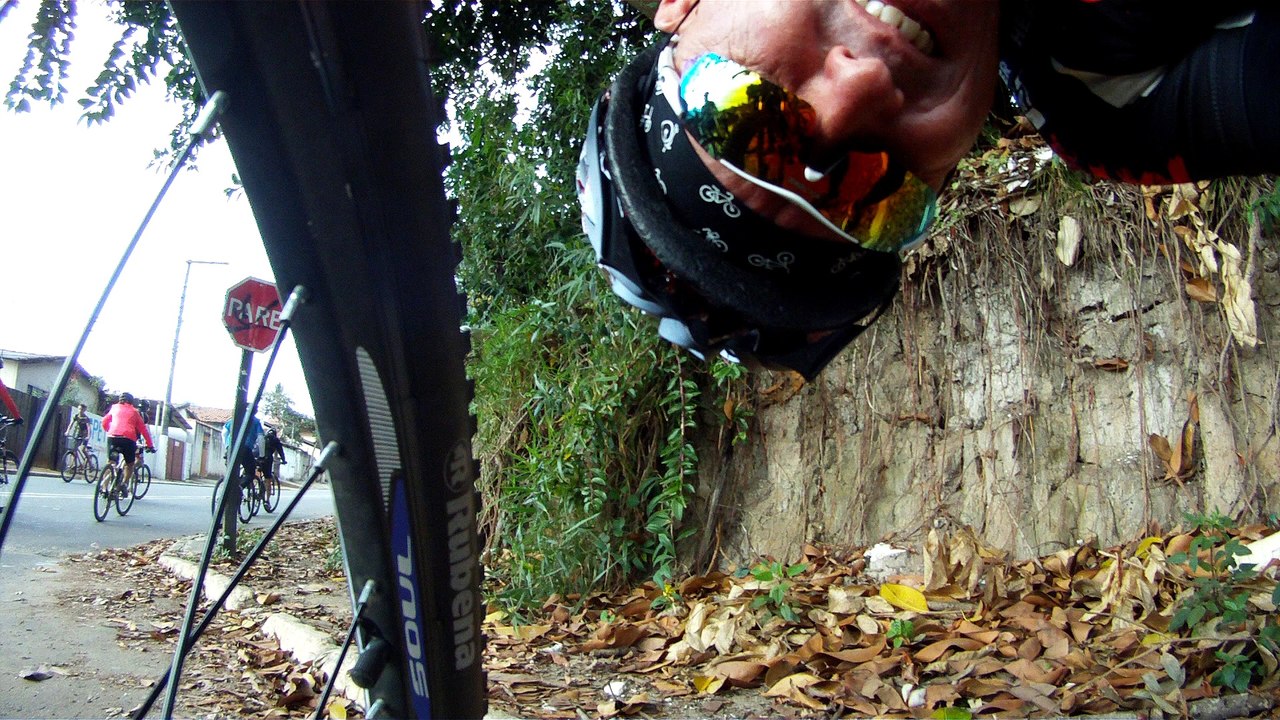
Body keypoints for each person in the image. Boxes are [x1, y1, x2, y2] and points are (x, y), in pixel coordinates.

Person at [577, 0, 1279, 379]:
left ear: (681, 5)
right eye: (879, 194)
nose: (863, 88)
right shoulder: (1115, 103)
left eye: (744, 109)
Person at [102, 392, 153, 492]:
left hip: (113, 437)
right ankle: (124, 485)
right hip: (128, 439)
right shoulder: (134, 412)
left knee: (111, 462)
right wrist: (150, 445)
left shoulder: (114, 408)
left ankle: (104, 488)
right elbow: (144, 430)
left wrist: (110, 430)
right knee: (130, 464)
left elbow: (104, 422)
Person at [222, 410, 263, 489]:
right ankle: (240, 488)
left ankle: (225, 490)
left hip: (231, 448)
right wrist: (262, 455)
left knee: (230, 472)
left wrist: (227, 446)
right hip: (245, 449)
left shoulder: (234, 419)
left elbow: (224, 433)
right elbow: (261, 438)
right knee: (250, 473)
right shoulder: (255, 421)